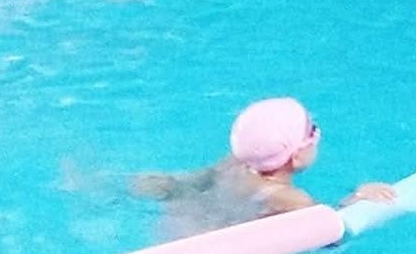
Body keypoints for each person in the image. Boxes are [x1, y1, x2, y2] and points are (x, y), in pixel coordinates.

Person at [131, 97, 394, 234]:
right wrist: (359, 197)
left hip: (184, 220)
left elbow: (199, 182)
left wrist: (170, 186)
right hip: (219, 245)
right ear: (296, 157)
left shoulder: (233, 164)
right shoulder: (290, 199)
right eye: (312, 132)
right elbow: (329, 229)